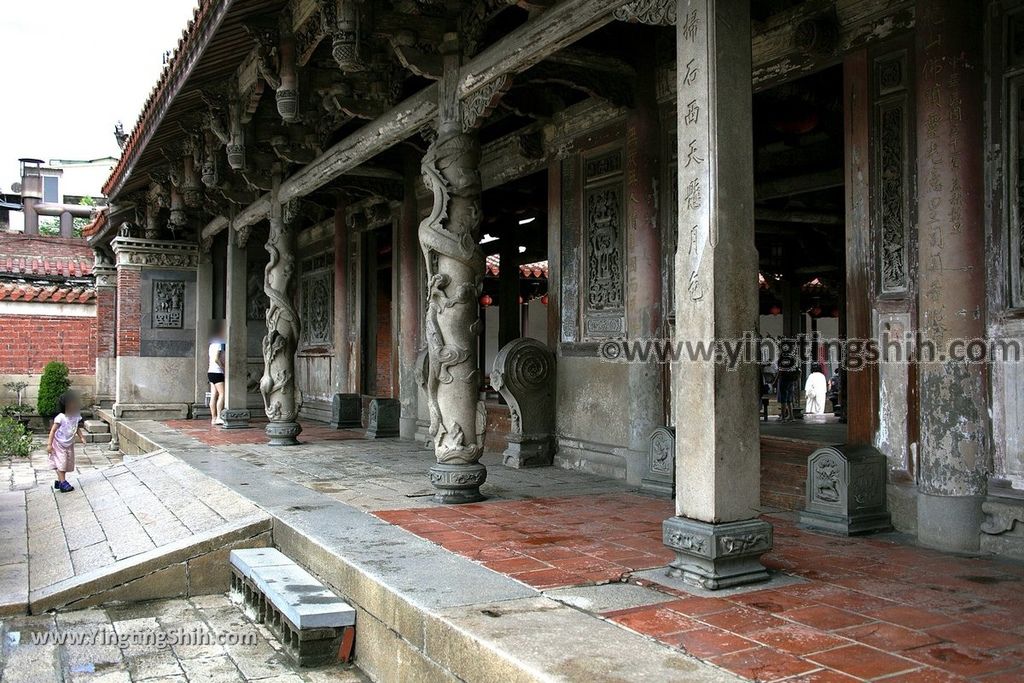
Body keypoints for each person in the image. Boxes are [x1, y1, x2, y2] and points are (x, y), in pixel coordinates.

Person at [47, 392, 85, 493]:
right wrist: (49, 444)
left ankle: (59, 482)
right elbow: (53, 431)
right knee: (62, 462)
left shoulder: (76, 416)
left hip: (69, 444)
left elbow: (76, 428)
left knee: (67, 462)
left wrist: (81, 437)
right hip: (59, 444)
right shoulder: (61, 417)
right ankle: (63, 483)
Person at [209, 321, 227, 426]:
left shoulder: (211, 344)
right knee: (222, 394)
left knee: (213, 395)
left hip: (210, 371)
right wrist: (223, 367)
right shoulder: (220, 343)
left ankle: (213, 418)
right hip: (217, 372)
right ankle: (219, 417)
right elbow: (216, 358)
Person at [776, 340, 799, 422]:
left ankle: (783, 417)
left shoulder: (781, 357)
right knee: (789, 398)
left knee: (783, 399)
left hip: (783, 379)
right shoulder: (792, 357)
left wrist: (775, 381)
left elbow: (779, 369)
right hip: (791, 379)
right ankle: (791, 416)